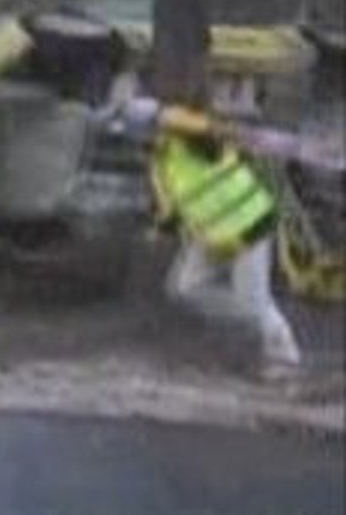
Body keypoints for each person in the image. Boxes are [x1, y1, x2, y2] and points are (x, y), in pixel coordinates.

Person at [108, 96, 302, 375]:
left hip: (248, 225)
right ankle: (255, 317)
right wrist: (160, 228)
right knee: (185, 289)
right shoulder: (162, 158)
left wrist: (167, 115)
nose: (136, 145)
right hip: (213, 234)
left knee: (253, 306)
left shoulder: (192, 141)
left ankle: (283, 355)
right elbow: (178, 201)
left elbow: (208, 131)